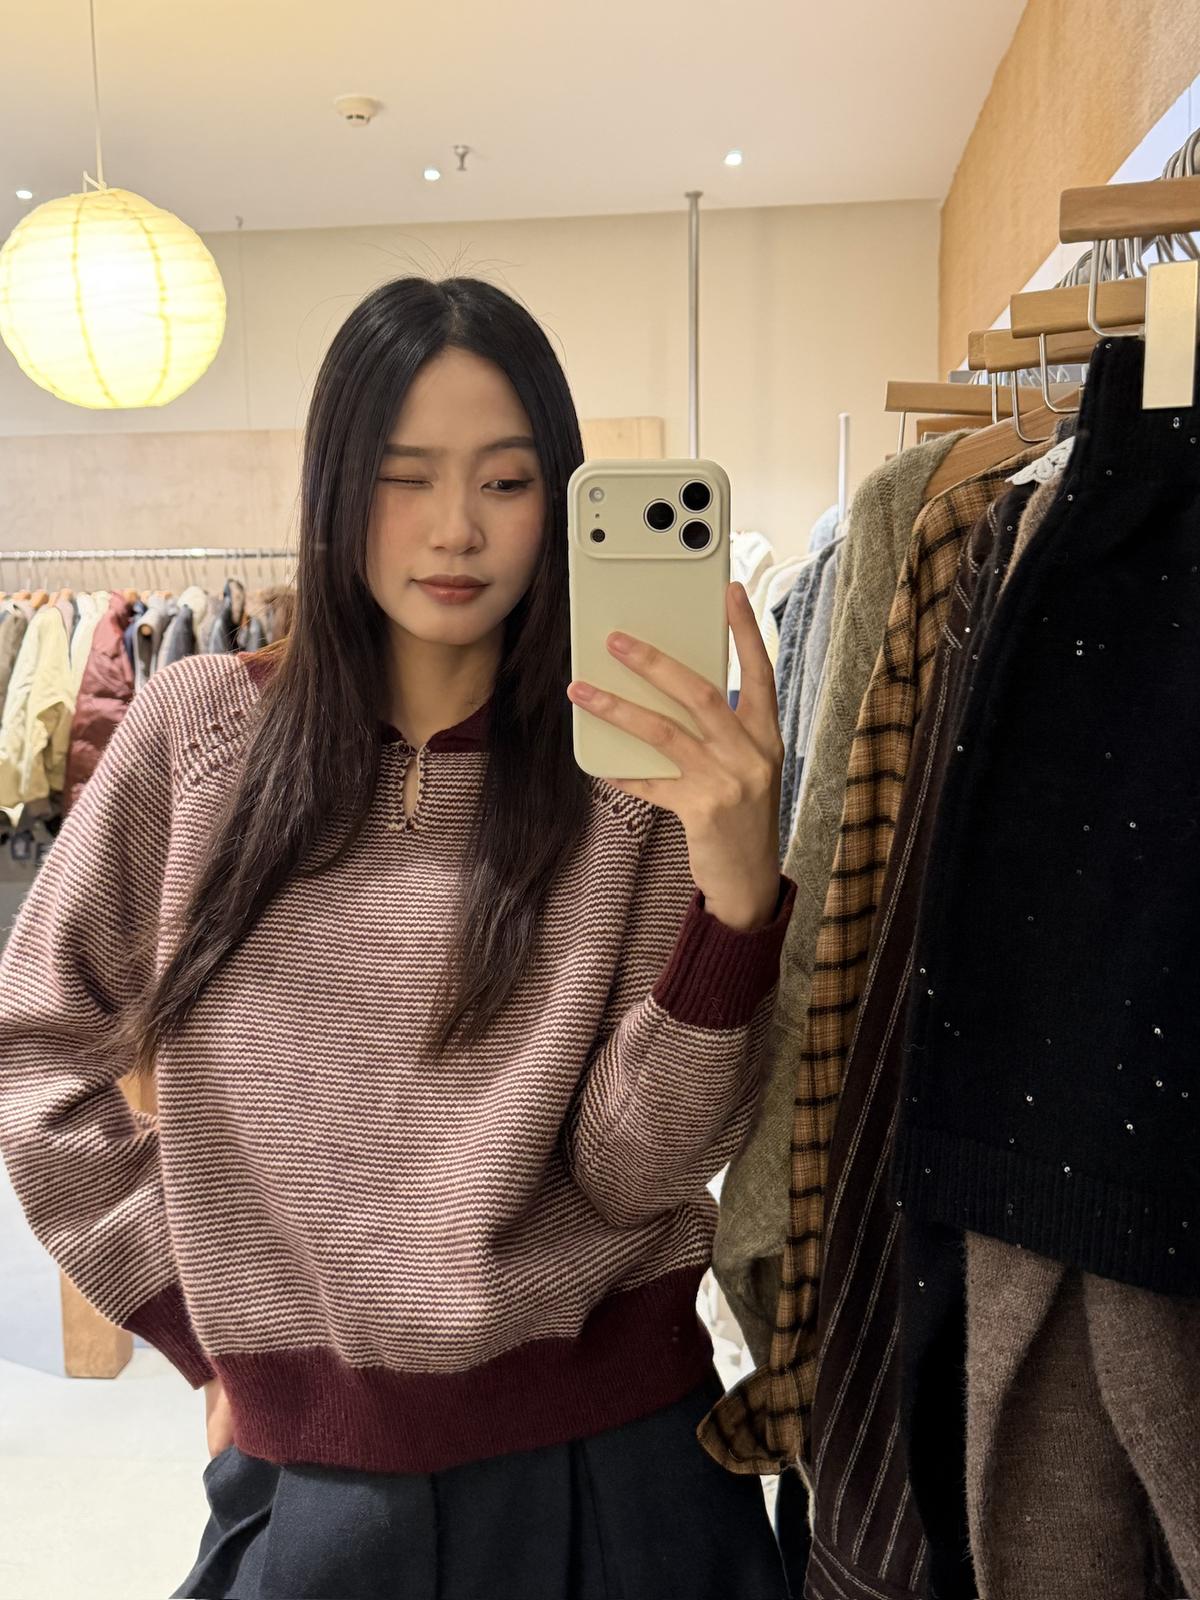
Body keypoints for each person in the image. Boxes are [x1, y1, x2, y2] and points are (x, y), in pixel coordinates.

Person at [0, 276, 795, 1599]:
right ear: (333, 489)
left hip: (624, 1467)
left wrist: (736, 907)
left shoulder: (644, 777)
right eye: (402, 477)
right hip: (313, 1477)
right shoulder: (202, 732)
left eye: (507, 481)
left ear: (562, 500)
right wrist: (202, 1326)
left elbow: (631, 1173)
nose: (455, 528)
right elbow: (36, 1047)